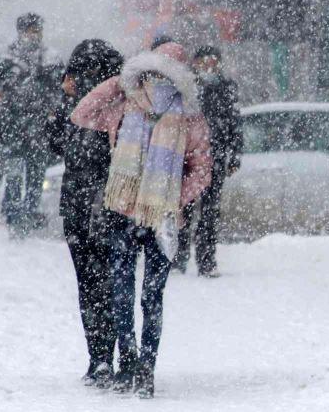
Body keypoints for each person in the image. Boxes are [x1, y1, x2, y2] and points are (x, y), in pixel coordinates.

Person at [70, 42, 211, 398]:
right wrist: (120, 81)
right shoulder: (128, 104)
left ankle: (138, 366)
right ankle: (136, 365)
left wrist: (170, 198)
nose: (153, 77)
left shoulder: (185, 116)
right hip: (134, 216)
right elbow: (82, 113)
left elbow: (202, 170)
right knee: (137, 295)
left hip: (152, 218)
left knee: (138, 294)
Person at [47, 39, 124, 387]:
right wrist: (64, 97)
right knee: (97, 284)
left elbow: (54, 142)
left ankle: (107, 356)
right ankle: (102, 357)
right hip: (87, 206)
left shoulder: (118, 105)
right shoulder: (80, 107)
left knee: (100, 284)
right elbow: (52, 142)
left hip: (103, 205)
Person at [0, 13, 63, 235]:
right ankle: (14, 215)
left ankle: (29, 213)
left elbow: (61, 91)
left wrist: (53, 108)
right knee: (14, 173)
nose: (34, 35)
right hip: (11, 126)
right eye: (30, 31)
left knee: (36, 176)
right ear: (21, 32)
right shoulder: (6, 58)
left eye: (37, 31)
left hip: (39, 128)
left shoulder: (50, 58)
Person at [173, 46, 242, 277]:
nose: (209, 67)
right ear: (196, 63)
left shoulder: (226, 88)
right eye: (205, 62)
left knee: (210, 212)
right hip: (189, 158)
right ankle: (179, 257)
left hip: (215, 156)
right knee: (185, 208)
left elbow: (234, 122)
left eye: (214, 62)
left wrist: (234, 155)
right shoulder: (186, 87)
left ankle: (207, 260)